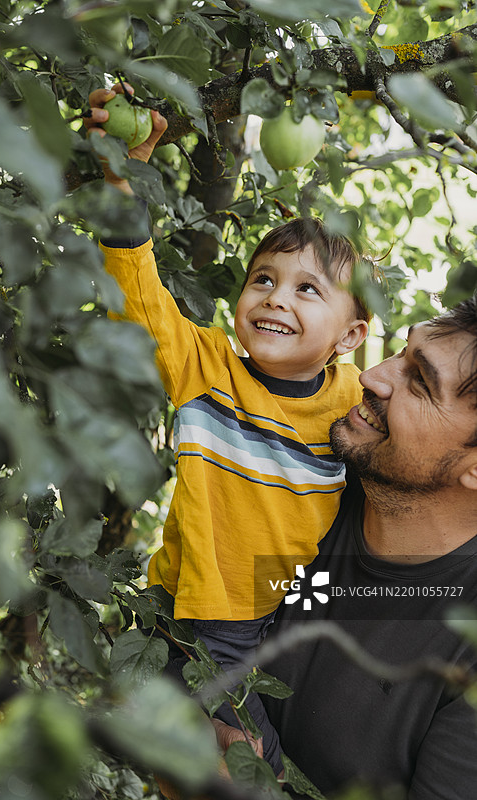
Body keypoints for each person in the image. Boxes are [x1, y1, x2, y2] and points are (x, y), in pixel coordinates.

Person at [85, 84, 374, 775]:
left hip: (297, 612)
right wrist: (121, 178)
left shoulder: (355, 403)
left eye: (308, 289)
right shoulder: (208, 367)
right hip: (215, 607)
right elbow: (142, 298)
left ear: (350, 336)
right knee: (248, 756)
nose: (276, 296)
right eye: (263, 279)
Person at [215, 297, 477, 798]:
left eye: (419, 381)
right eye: (401, 353)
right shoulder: (298, 481)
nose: (373, 377)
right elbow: (185, 625)